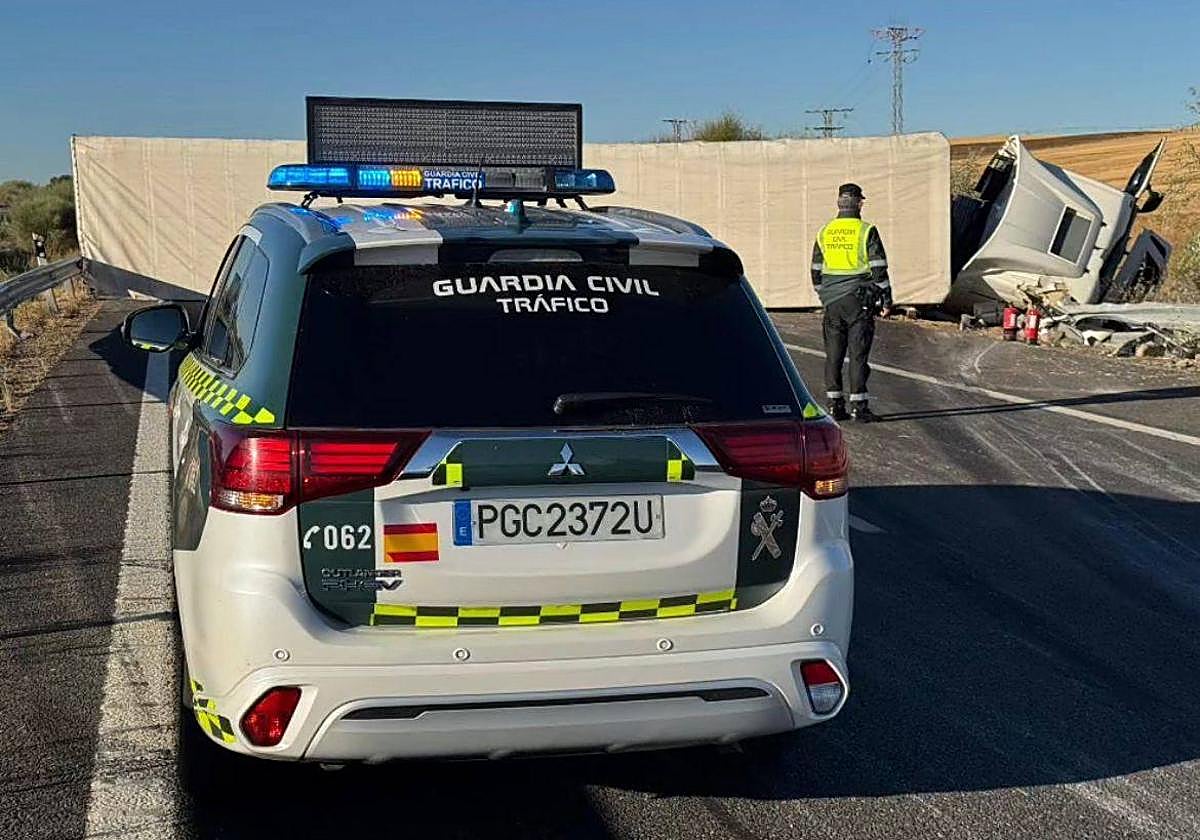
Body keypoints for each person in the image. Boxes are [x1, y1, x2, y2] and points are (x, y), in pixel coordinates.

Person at [811, 183, 891, 422]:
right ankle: (859, 406)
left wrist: (823, 295)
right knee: (858, 354)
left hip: (832, 302)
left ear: (838, 202)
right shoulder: (866, 230)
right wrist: (886, 299)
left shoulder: (825, 231)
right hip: (858, 300)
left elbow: (815, 269)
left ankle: (835, 405)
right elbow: (879, 268)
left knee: (833, 354)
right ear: (859, 203)